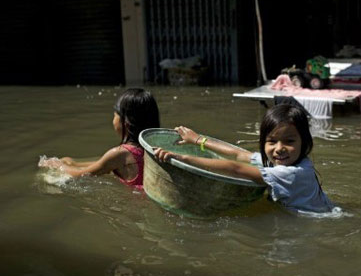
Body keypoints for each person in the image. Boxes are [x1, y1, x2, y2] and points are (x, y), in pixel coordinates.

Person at [154, 104, 334, 214]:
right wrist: (199, 140)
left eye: (289, 141)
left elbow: (236, 167)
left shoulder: (291, 173)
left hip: (314, 218)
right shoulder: (293, 162)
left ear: (305, 142)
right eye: (272, 141)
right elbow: (239, 155)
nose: (279, 149)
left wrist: (183, 158)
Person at [39, 88, 160, 191]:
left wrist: (58, 165)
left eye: (115, 116)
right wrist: (74, 163)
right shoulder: (156, 148)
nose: (113, 120)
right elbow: (104, 165)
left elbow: (82, 175)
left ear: (126, 123)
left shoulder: (120, 154)